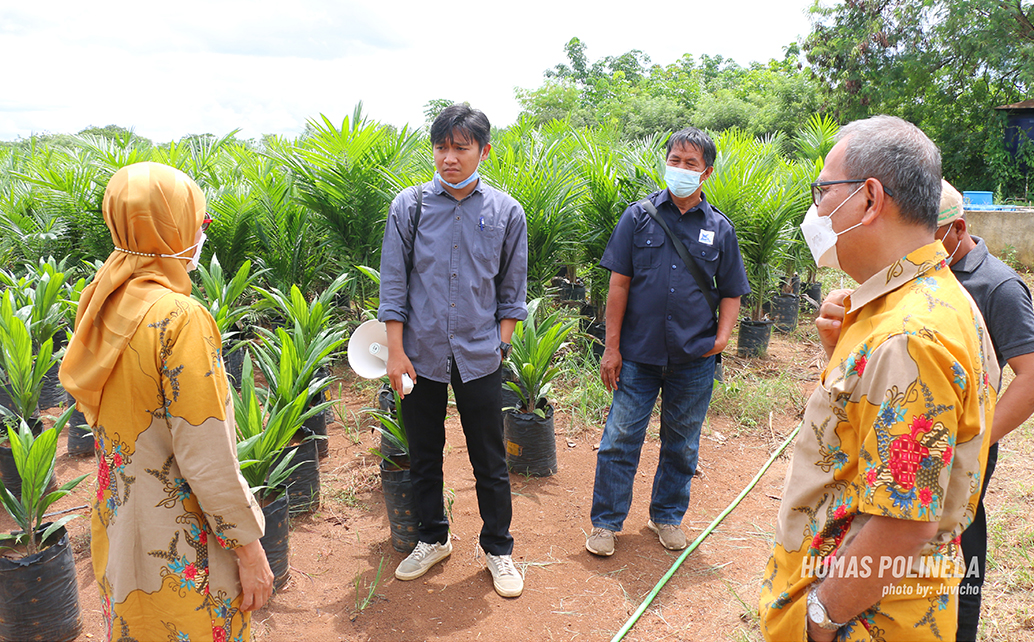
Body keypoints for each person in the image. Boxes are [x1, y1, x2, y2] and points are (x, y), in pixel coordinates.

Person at [758, 116, 1000, 642]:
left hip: (862, 620)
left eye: (824, 191)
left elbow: (904, 521)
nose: (816, 209)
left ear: (868, 199)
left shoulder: (909, 337)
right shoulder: (928, 302)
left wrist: (821, 618)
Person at [59, 162, 273, 642]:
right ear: (167, 225)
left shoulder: (103, 300)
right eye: (196, 218)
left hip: (121, 525)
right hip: (179, 546)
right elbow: (207, 456)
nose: (202, 229)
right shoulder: (181, 317)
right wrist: (249, 549)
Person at [377, 103, 528, 597]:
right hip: (418, 357)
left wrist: (500, 343)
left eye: (460, 148)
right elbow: (394, 287)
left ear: (484, 151)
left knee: (489, 458)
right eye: (441, 147)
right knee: (424, 453)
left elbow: (512, 289)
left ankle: (499, 549)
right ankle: (431, 538)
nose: (448, 158)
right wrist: (396, 354)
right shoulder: (410, 207)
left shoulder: (507, 212)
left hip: (481, 355)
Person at [585, 127, 750, 557]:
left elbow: (732, 290)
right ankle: (605, 523)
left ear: (706, 173)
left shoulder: (719, 229)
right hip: (638, 355)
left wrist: (722, 336)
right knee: (619, 439)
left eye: (690, 164)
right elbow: (618, 286)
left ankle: (668, 516)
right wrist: (611, 346)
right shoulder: (637, 217)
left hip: (694, 357)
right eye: (674, 160)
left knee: (682, 442)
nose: (679, 169)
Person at [937, 181, 1034, 640]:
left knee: (962, 533)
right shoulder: (927, 274)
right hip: (920, 436)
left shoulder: (998, 286)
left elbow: (1030, 376)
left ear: (957, 228)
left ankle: (962, 629)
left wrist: (976, 439)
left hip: (966, 440)